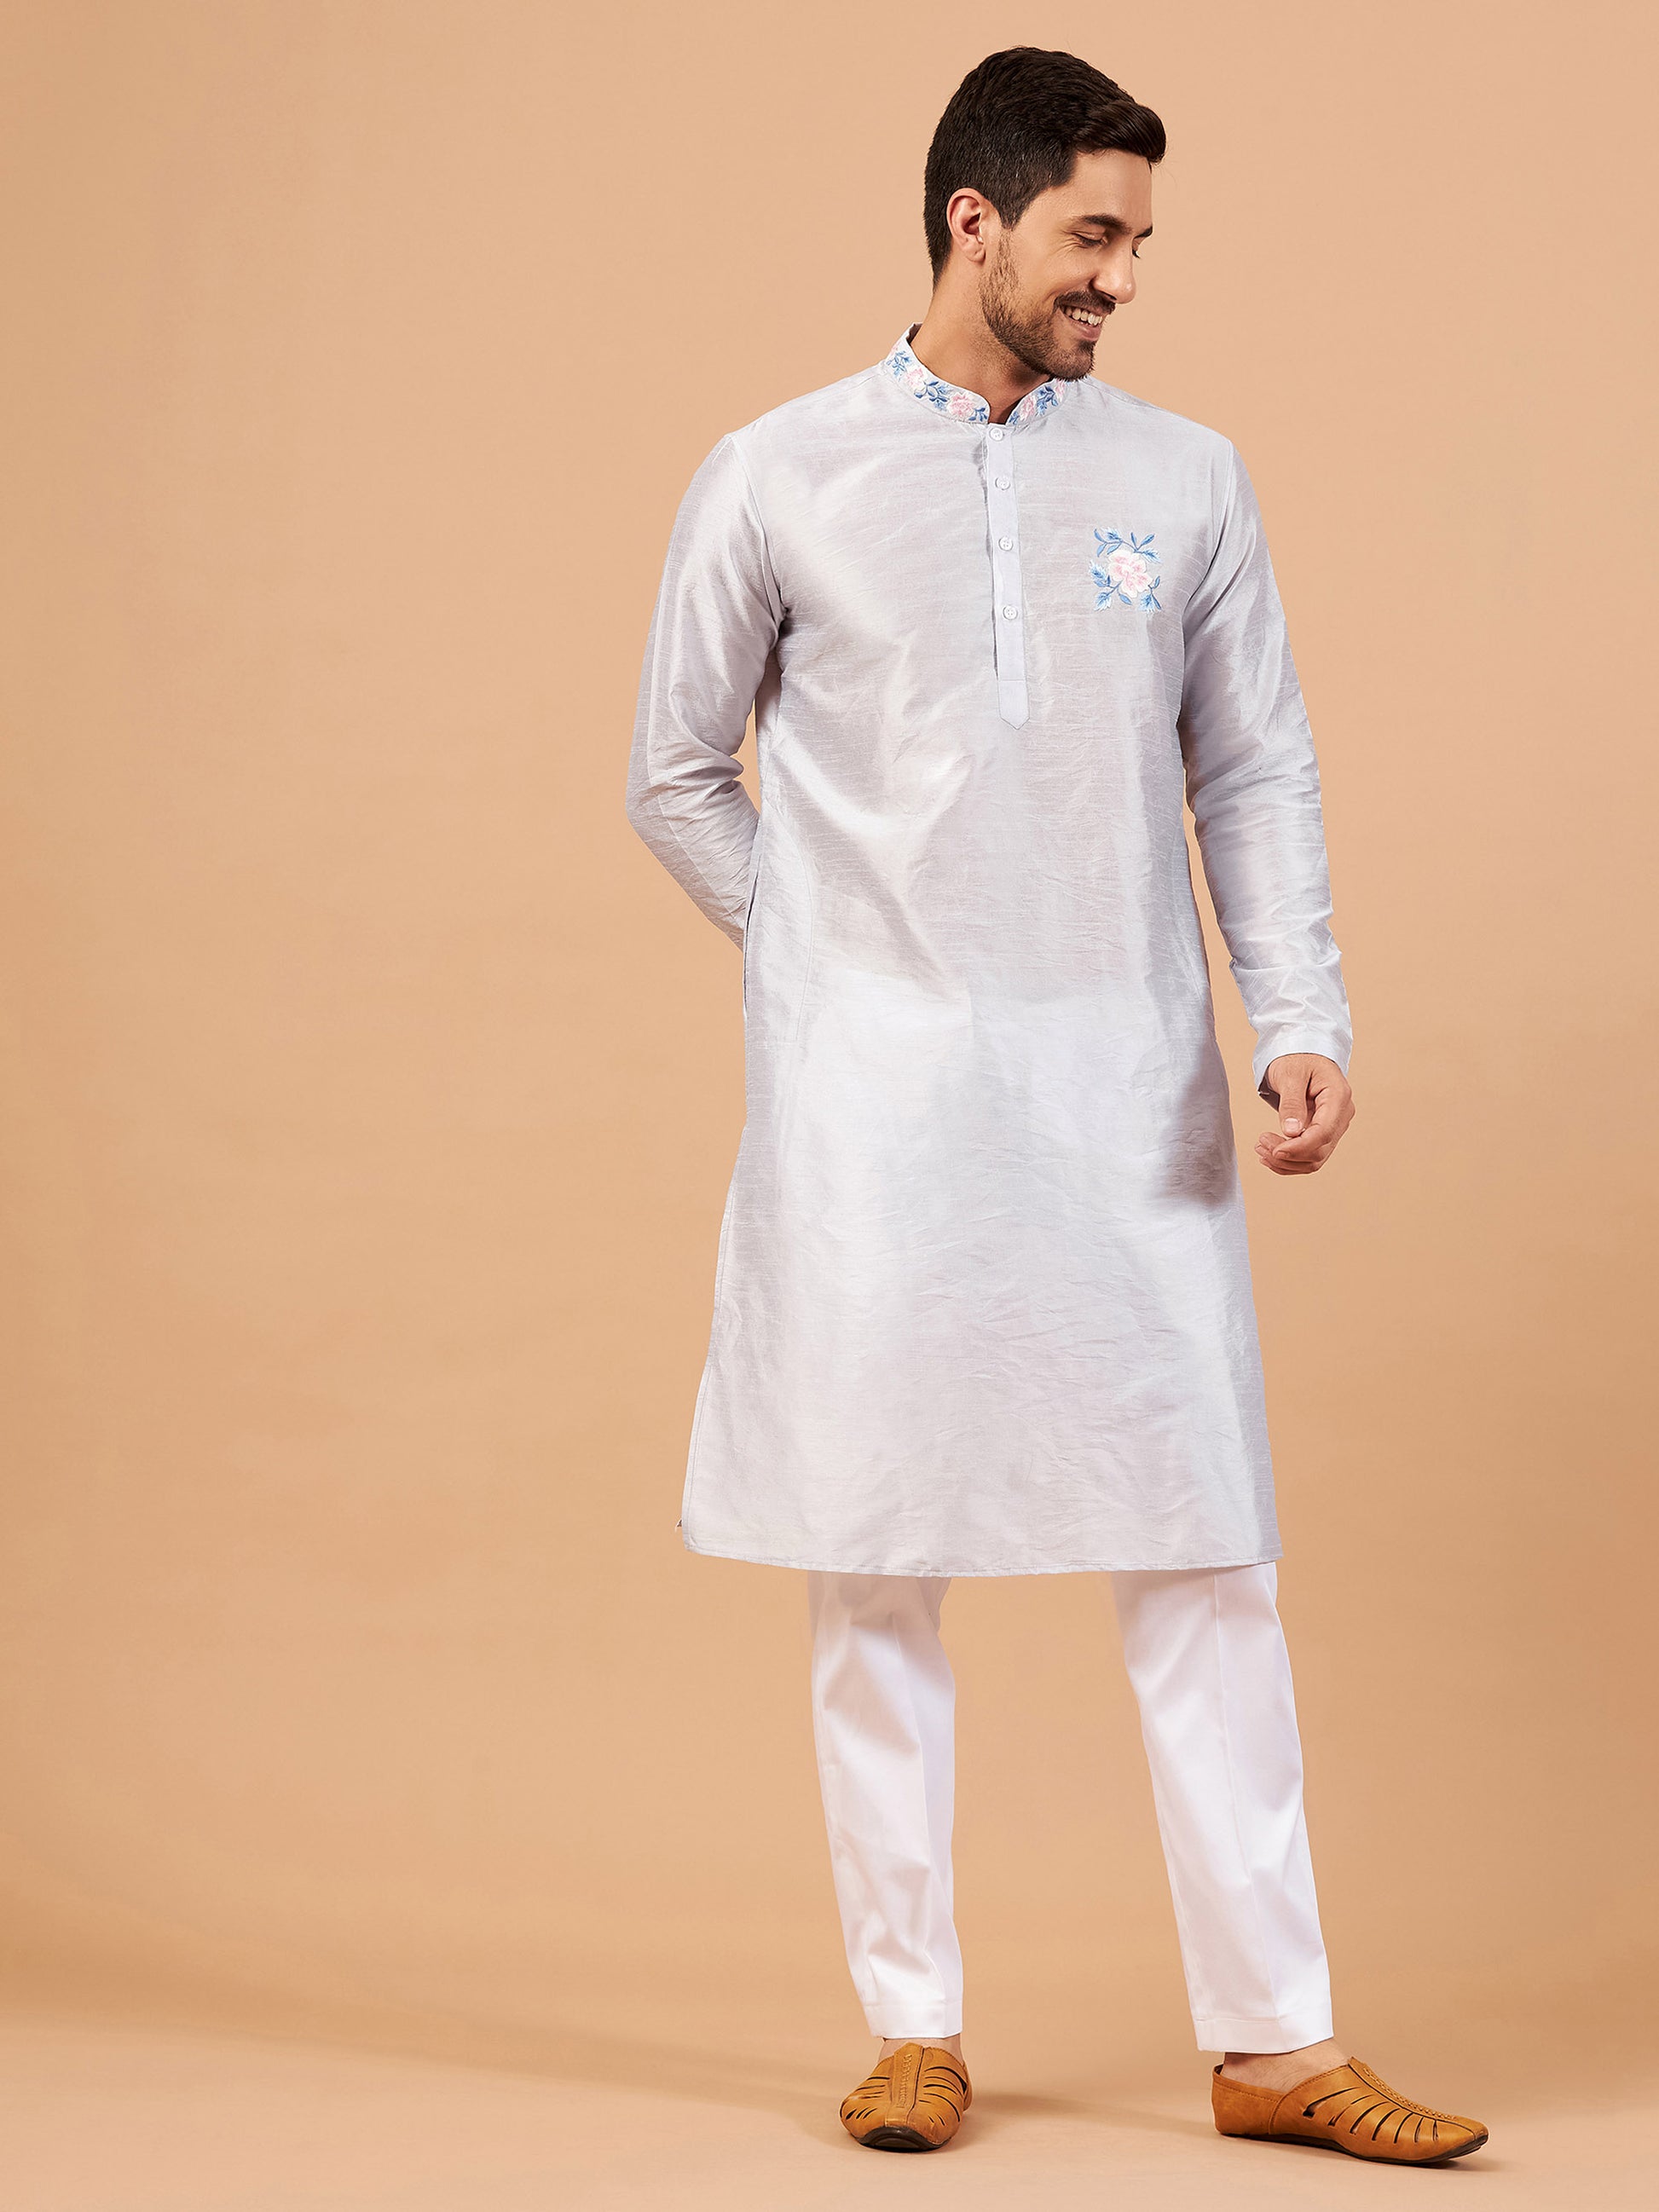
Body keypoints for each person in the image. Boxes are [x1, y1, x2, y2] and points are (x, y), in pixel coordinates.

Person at [625, 45, 1487, 2167]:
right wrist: (825, 960)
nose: (1121, 276)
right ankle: (911, 2021)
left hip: (1127, 1088)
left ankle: (1275, 2038)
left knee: (1202, 1550)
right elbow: (672, 771)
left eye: (1137, 241)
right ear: (974, 220)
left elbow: (1251, 762)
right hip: (875, 1111)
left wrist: (1297, 1010)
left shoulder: (1182, 479)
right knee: (874, 1552)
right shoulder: (778, 473)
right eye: (1093, 235)